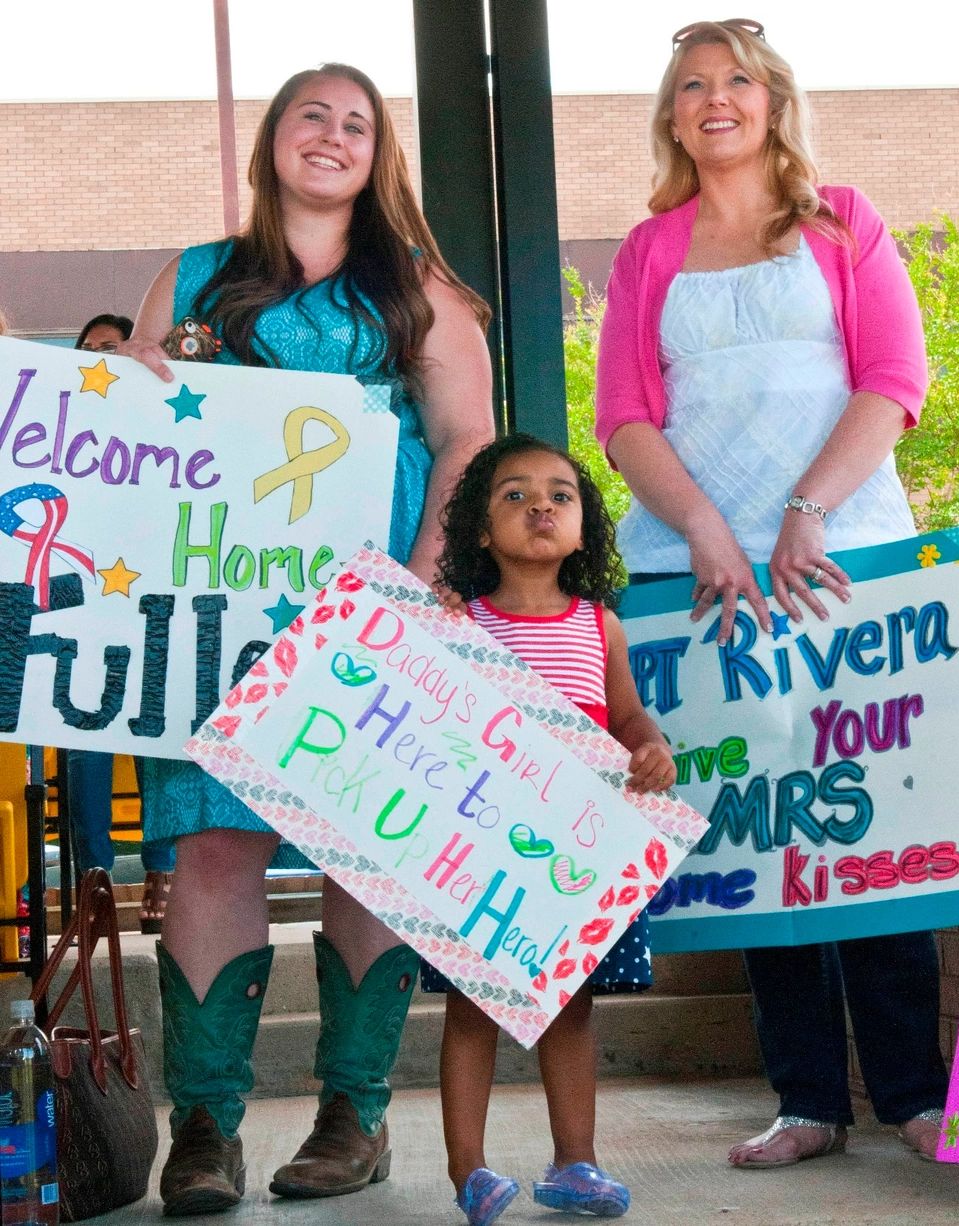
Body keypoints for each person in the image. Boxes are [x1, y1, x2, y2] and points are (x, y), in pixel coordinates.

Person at [118, 63, 494, 1214]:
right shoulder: (191, 277)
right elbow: (128, 428)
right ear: (271, 140)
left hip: (371, 607)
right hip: (212, 608)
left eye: (356, 124)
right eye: (308, 116)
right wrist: (122, 393)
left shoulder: (418, 289)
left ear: (380, 156)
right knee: (212, 847)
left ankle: (354, 1115)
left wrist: (420, 591)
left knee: (359, 844)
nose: (330, 137)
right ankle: (205, 1129)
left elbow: (466, 445)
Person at [595, 19, 947, 1167]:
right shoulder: (648, 250)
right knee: (761, 828)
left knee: (873, 812)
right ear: (671, 115)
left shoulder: (845, 218)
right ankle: (805, 1098)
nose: (714, 99)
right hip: (703, 584)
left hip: (846, 561)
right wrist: (705, 528)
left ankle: (913, 1090)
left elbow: (896, 379)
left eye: (735, 80)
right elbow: (625, 418)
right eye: (690, 85)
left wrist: (806, 510)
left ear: (772, 101)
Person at [427, 433, 676, 1224]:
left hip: (575, 854)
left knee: (571, 1006)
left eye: (561, 494)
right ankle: (469, 1171)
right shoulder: (458, 623)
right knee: (472, 1007)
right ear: (478, 528)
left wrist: (650, 746)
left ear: (583, 527)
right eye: (515, 493)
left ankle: (577, 1163)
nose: (541, 504)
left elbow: (627, 712)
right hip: (479, 851)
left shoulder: (599, 624)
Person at [67, 315, 178, 932]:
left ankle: (163, 870)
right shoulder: (61, 433)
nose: (100, 357)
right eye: (88, 350)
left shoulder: (165, 423)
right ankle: (96, 880)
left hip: (155, 610)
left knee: (154, 736)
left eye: (112, 347)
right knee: (85, 745)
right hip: (87, 613)